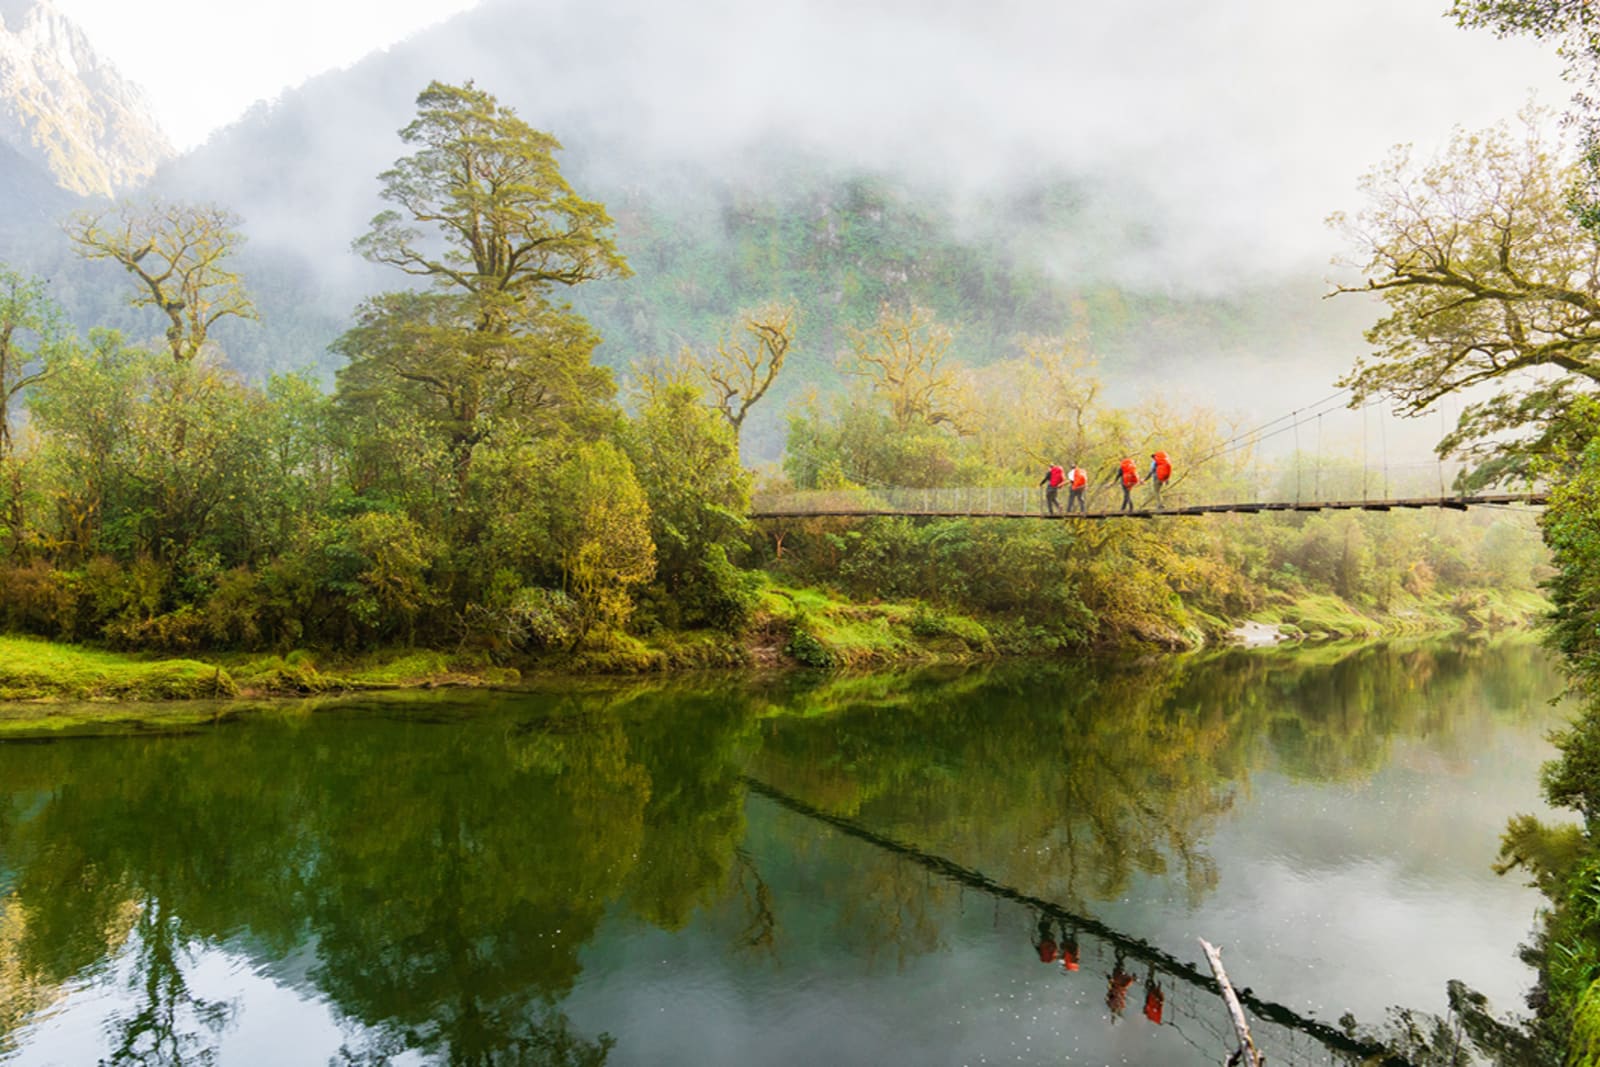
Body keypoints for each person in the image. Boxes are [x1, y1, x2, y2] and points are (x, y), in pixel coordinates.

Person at [1106, 950, 1135, 1019]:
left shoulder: (1115, 1002)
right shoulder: (1116, 1002)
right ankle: (1122, 954)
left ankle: (1122, 955)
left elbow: (1111, 988)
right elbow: (1111, 988)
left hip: (1120, 983)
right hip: (1119, 982)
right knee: (1119, 966)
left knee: (1119, 966)